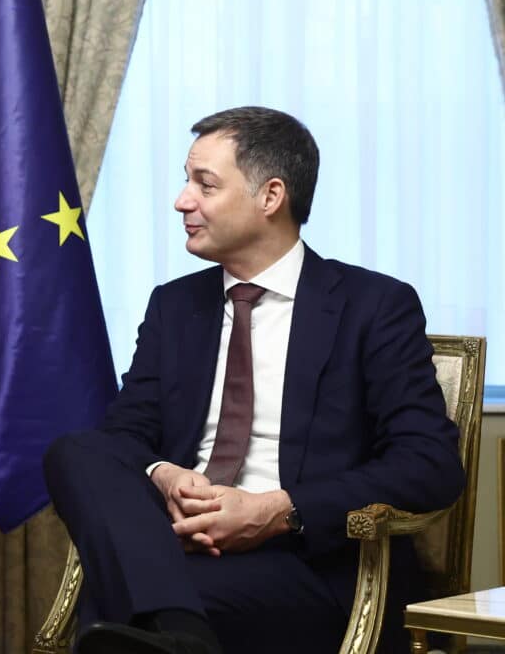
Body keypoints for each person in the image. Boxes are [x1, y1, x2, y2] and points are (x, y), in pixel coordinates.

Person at [43, 107, 464, 654]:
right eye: (185, 180)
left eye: (205, 184)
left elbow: (429, 465)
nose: (181, 201)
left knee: (110, 608)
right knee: (74, 451)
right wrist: (168, 476)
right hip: (176, 544)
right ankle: (182, 637)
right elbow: (123, 435)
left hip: (311, 565)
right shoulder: (175, 306)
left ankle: (174, 631)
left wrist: (277, 511)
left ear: (270, 197)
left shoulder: (374, 306)